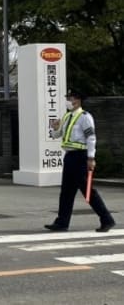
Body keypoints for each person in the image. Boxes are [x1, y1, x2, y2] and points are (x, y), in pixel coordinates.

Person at [45, 91, 116, 233]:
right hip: (70, 156)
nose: (67, 101)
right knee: (66, 191)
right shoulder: (67, 116)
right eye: (67, 98)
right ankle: (62, 222)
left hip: (81, 157)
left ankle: (107, 219)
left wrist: (91, 158)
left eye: (69, 98)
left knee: (88, 190)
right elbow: (57, 135)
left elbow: (91, 138)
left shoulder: (85, 117)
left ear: (77, 100)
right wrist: (54, 128)